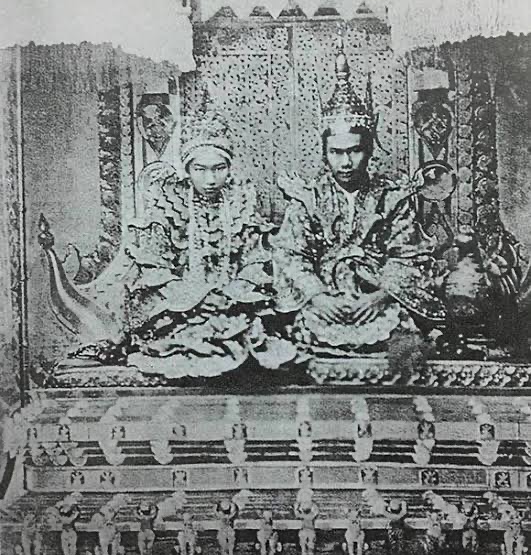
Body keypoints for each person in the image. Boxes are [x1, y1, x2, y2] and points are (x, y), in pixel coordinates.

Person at [71, 93, 296, 379]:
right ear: (187, 169)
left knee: (251, 334)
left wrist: (232, 294)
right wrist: (197, 298)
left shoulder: (242, 202)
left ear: (229, 168)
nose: (210, 179)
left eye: (219, 169)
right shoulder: (168, 204)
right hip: (182, 308)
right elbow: (154, 267)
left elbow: (254, 261)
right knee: (185, 336)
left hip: (233, 304)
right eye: (200, 170)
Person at [273, 36, 445, 361]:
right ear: (325, 153)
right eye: (336, 152)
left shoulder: (391, 198)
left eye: (354, 151)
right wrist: (318, 296)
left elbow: (408, 255)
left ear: (368, 150)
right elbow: (290, 256)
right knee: (304, 335)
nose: (346, 162)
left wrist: (381, 295)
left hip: (377, 296)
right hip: (325, 298)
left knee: (400, 337)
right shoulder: (308, 199)